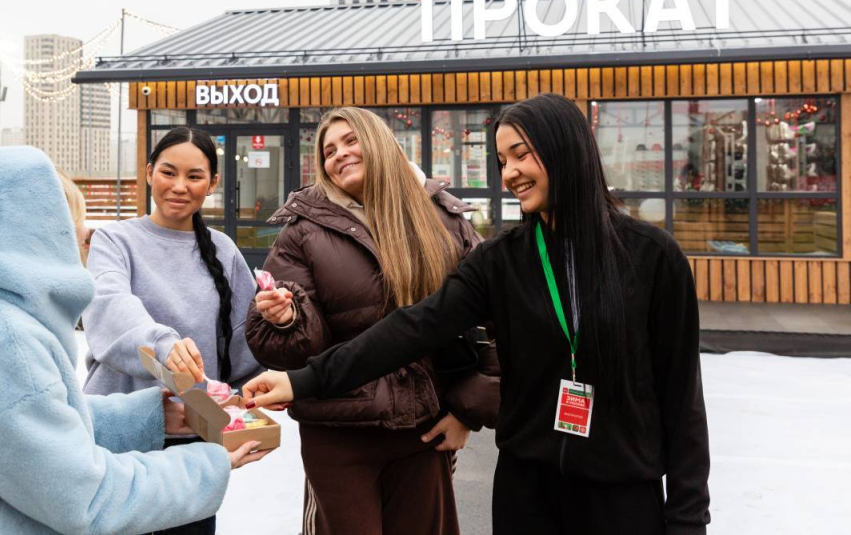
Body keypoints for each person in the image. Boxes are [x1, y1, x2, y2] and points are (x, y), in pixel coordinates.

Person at [244, 94, 711, 535]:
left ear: (566, 149)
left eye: (521, 155)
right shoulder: (501, 261)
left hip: (622, 495)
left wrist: (688, 518)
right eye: (502, 161)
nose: (511, 173)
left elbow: (682, 398)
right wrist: (302, 381)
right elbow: (410, 330)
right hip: (528, 494)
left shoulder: (653, 258)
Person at [0, 146, 266, 535]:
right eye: (73, 222)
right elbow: (85, 497)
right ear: (37, 231)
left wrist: (148, 416)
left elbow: (27, 423)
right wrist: (208, 465)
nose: (82, 234)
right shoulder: (5, 342)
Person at [246, 107, 499, 535]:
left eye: (350, 141)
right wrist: (287, 319)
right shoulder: (302, 230)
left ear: (381, 143)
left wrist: (466, 412)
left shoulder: (441, 217)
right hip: (337, 433)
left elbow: (495, 317)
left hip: (424, 429)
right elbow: (281, 347)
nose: (339, 154)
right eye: (328, 151)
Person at [81, 127, 262, 535]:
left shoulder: (224, 250)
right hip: (117, 434)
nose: (180, 186)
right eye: (168, 172)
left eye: (194, 176)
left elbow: (246, 345)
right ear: (149, 173)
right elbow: (109, 306)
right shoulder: (114, 239)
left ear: (212, 183)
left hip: (190, 444)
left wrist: (280, 324)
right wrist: (163, 344)